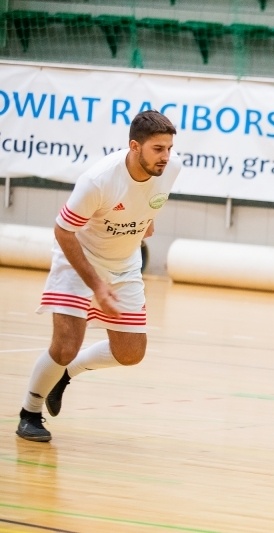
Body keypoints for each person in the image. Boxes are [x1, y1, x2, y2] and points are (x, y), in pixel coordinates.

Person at [16, 110, 182, 442]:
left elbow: (149, 206)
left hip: (124, 264)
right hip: (78, 261)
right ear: (135, 147)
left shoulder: (171, 170)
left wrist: (144, 220)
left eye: (169, 148)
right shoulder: (99, 180)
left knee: (131, 353)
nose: (166, 157)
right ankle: (29, 413)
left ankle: (64, 376)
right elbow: (63, 232)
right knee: (64, 346)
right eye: (158, 149)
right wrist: (97, 285)